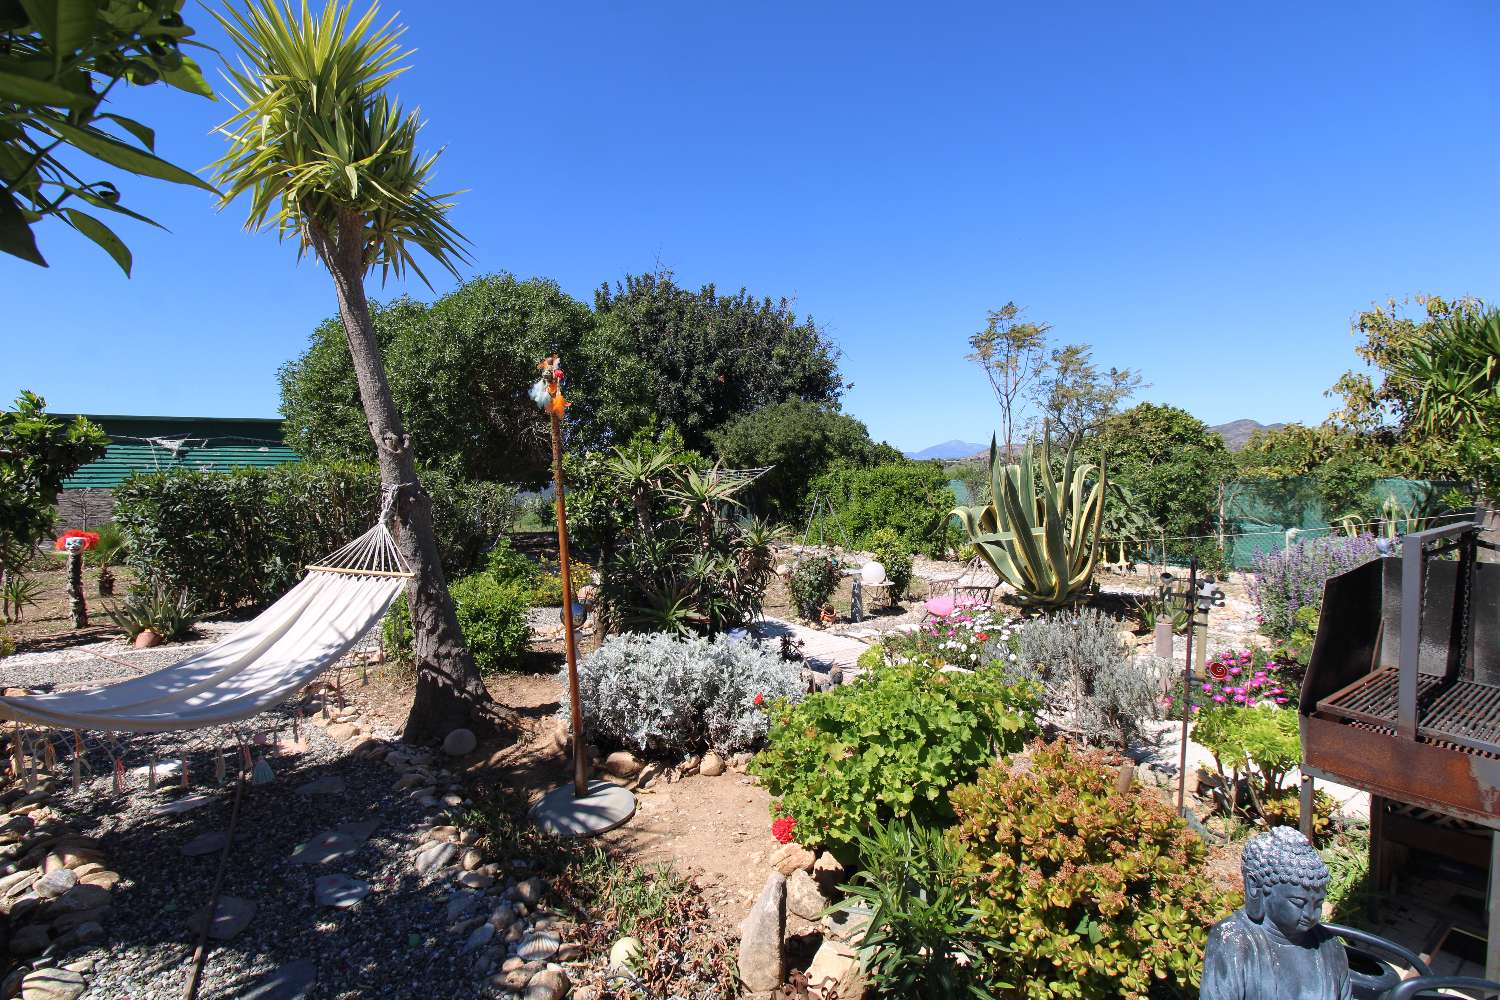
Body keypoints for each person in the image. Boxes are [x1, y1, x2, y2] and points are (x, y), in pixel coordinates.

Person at [1201, 826, 1351, 1000]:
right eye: (1298, 903)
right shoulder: (1234, 940)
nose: (1310, 914)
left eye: (1318, 903)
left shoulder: (1329, 946)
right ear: (1255, 887)